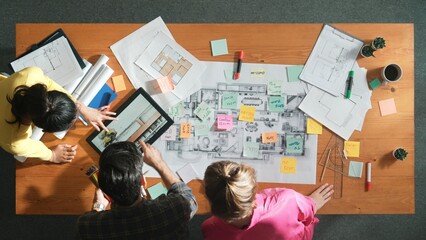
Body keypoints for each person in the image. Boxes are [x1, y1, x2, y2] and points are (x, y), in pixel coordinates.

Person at [77, 141, 198, 240]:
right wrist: (159, 163)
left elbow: (91, 225)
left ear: (105, 191)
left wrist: (98, 206)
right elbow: (187, 195)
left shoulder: (87, 226)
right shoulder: (175, 209)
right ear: (143, 181)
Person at [0, 67, 115, 163]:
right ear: (43, 130)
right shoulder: (14, 143)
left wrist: (81, 107)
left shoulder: (31, 75)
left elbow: (48, 84)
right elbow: (33, 148)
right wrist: (53, 156)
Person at [202, 160, 334, 240]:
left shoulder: (210, 229)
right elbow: (308, 210)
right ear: (253, 186)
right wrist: (313, 202)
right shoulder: (286, 201)